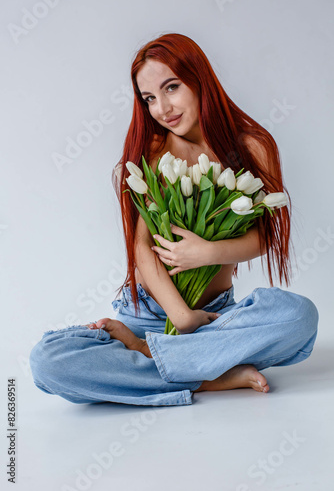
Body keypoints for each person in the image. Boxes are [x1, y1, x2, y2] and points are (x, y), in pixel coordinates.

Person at [29, 33, 319, 407]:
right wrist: (180, 317)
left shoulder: (252, 146)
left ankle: (153, 358)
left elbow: (265, 236)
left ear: (200, 80)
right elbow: (141, 246)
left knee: (300, 317)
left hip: (218, 318)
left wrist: (208, 252)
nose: (162, 108)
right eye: (149, 98)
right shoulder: (154, 154)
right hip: (150, 315)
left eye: (171, 88)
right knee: (48, 362)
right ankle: (205, 377)